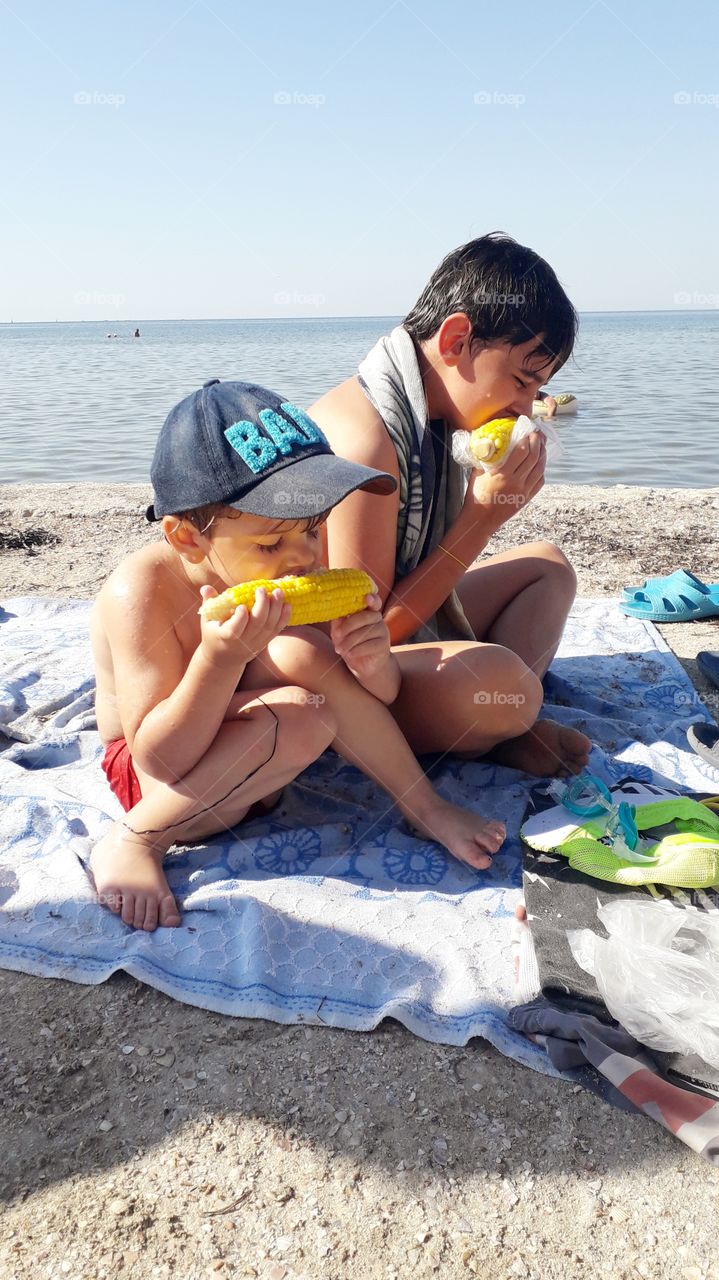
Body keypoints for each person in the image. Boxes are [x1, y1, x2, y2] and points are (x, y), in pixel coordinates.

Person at [90, 380, 512, 932]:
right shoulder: (142, 591)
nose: (304, 558)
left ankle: (425, 807)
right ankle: (134, 843)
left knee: (300, 656)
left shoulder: (284, 569)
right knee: (303, 714)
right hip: (165, 790)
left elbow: (374, 698)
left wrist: (372, 661)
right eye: (271, 544)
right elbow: (157, 758)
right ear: (188, 539)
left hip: (254, 769)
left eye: (314, 531)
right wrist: (216, 663)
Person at [309, 232, 591, 777]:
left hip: (384, 642)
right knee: (504, 687)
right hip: (340, 676)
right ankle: (495, 727)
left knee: (548, 568)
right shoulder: (366, 440)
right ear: (457, 339)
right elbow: (366, 638)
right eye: (521, 381)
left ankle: (499, 729)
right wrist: (479, 522)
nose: (525, 407)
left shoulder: (437, 418)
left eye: (537, 391)